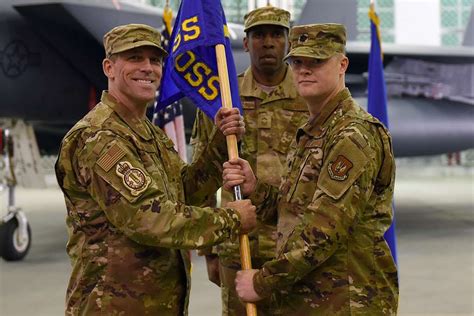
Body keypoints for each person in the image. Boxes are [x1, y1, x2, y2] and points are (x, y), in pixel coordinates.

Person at [55, 23, 257, 315]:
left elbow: (185, 192)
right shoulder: (98, 137)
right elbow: (149, 219)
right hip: (114, 306)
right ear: (109, 67)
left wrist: (219, 143)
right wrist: (231, 220)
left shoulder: (148, 133)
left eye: (155, 59)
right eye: (135, 58)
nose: (148, 67)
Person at [223, 23, 399, 314]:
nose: (304, 70)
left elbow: (324, 229)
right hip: (311, 299)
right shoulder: (315, 130)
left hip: (346, 300)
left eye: (316, 61)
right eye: (297, 61)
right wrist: (257, 190)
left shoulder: (352, 134)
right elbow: (294, 211)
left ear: (342, 64)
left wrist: (263, 281)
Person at [190, 6, 308, 315]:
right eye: (259, 35)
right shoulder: (225, 99)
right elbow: (202, 175)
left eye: (276, 35)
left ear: (289, 42)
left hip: (294, 249)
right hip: (239, 245)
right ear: (246, 43)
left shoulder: (308, 98)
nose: (268, 43)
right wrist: (209, 249)